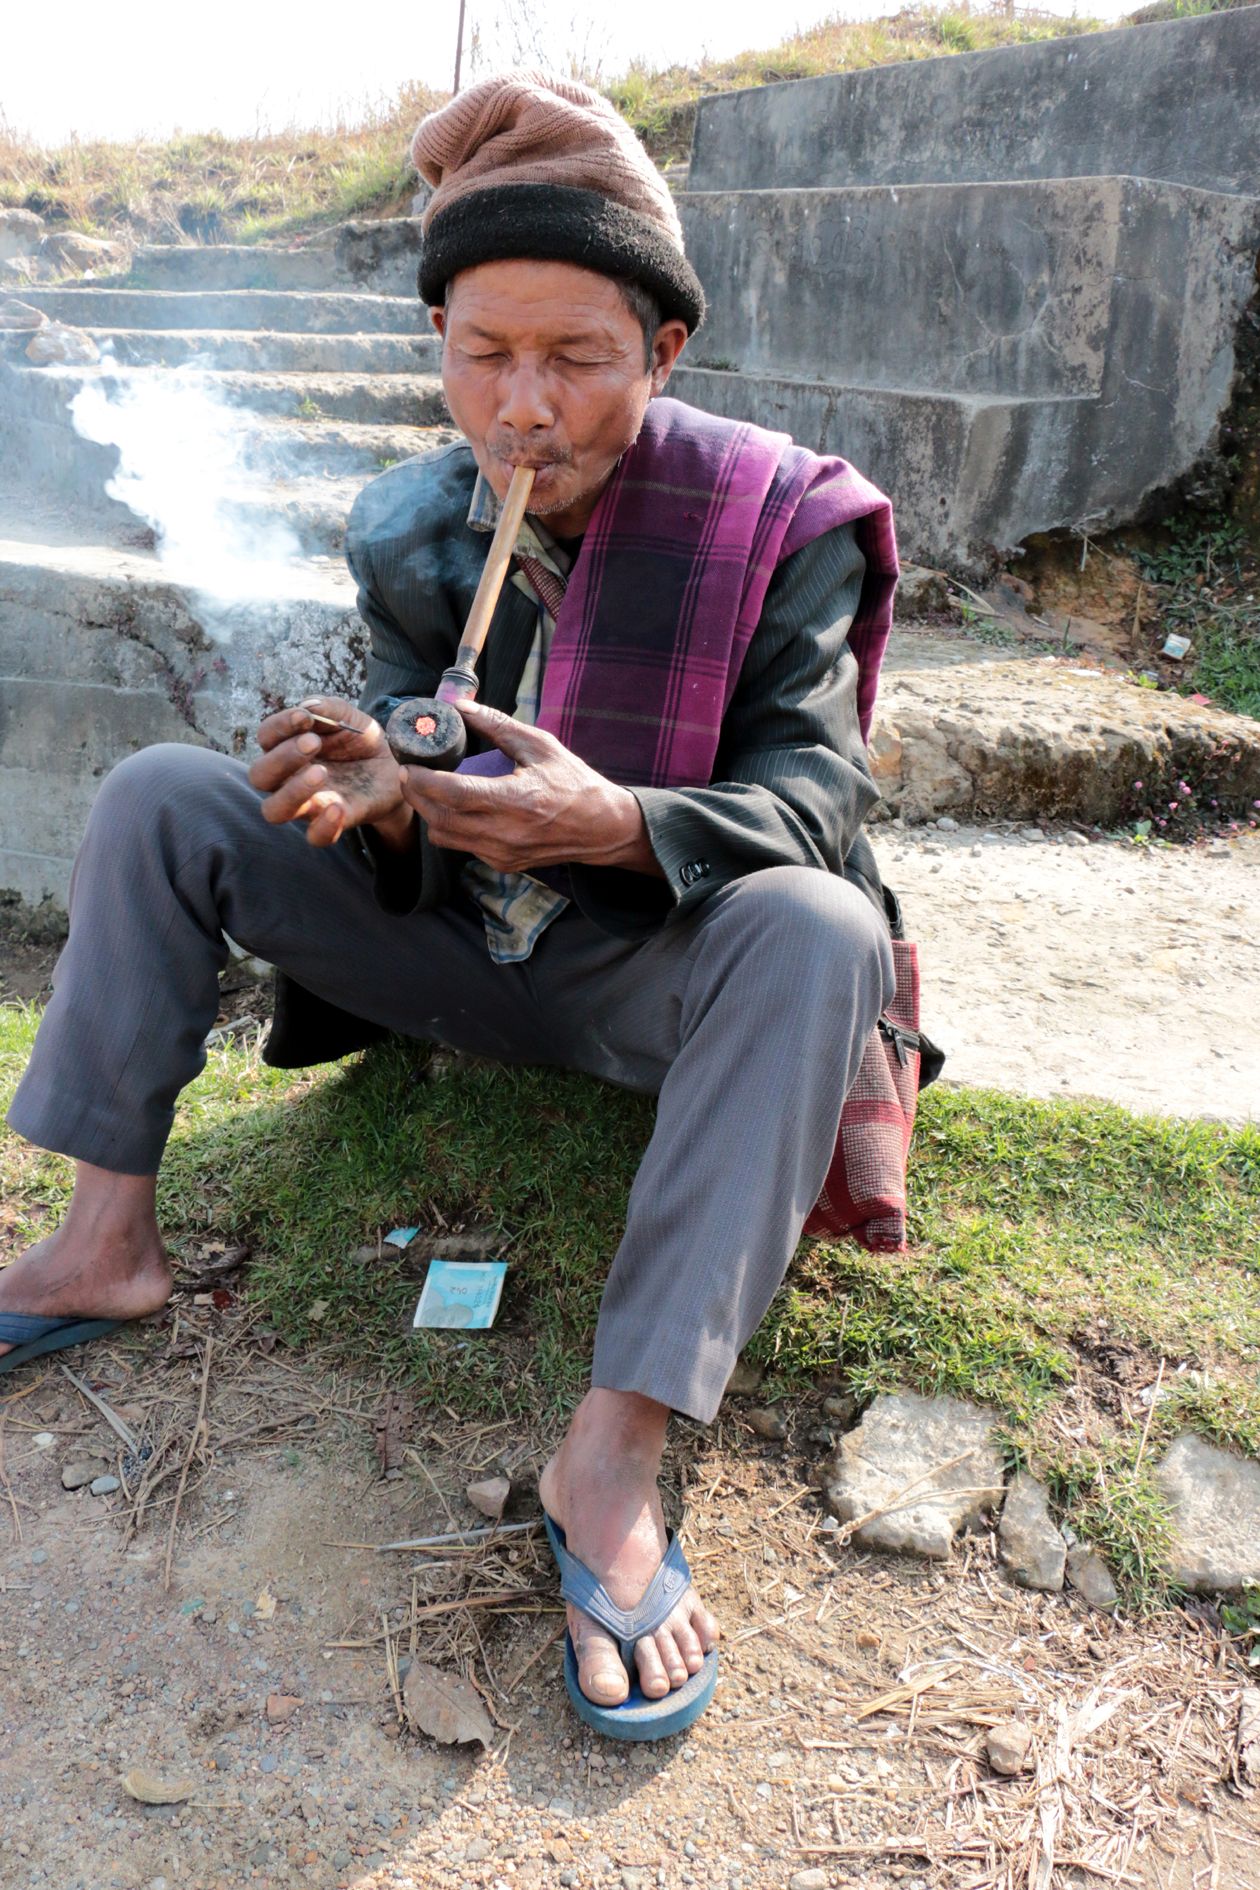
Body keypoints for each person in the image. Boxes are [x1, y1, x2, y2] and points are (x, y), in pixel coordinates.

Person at [0, 74, 899, 1738]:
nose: (524, 408)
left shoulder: (781, 522)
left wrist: (610, 820)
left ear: (667, 352)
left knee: (822, 929)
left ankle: (611, 1457)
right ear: (436, 342)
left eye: (578, 359)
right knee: (163, 795)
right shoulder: (413, 523)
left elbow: (817, 802)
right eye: (485, 354)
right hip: (455, 958)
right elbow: (416, 760)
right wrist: (380, 793)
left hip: (650, 971)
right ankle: (103, 1242)